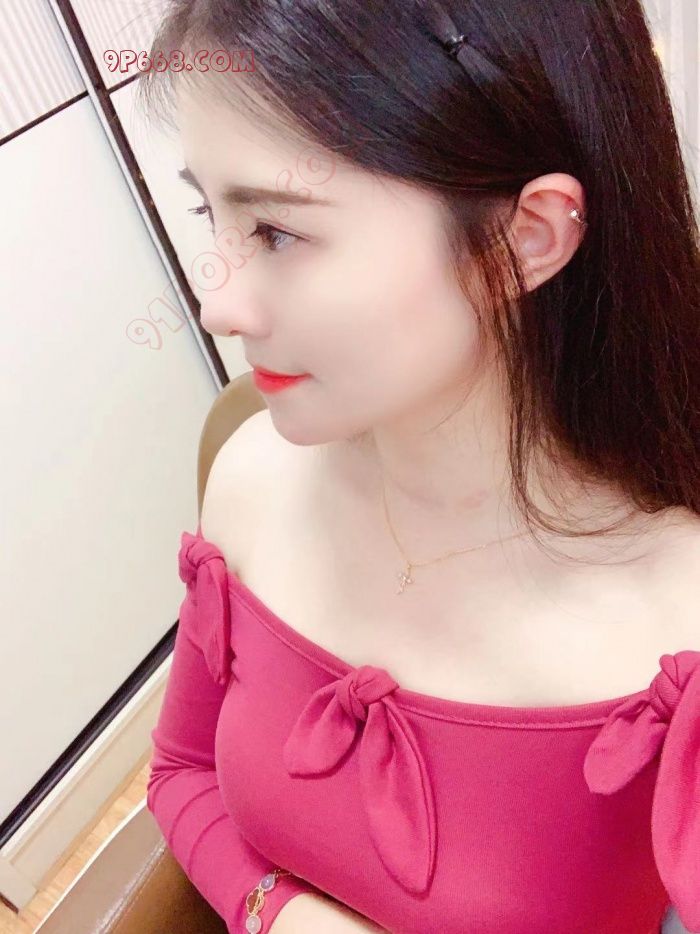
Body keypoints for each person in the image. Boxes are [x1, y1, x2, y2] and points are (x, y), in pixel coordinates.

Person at [138, 1, 700, 931]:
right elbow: (182, 769)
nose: (218, 305)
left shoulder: (674, 626)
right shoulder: (253, 482)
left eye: (277, 231)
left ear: (529, 236)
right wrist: (279, 912)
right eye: (211, 213)